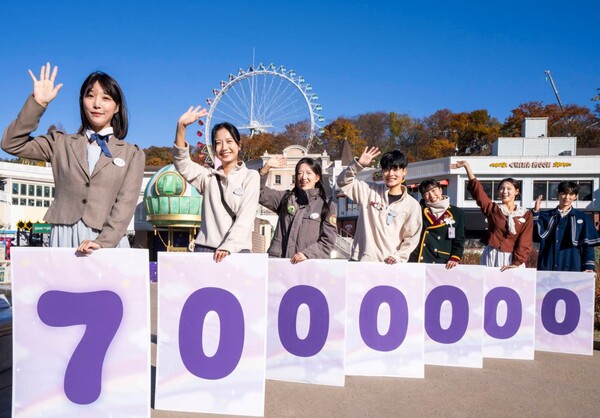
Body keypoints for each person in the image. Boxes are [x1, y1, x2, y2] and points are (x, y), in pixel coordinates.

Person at [1, 63, 145, 254]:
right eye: (90, 95)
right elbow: (11, 143)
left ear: (117, 107)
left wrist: (103, 242)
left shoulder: (132, 154)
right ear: (82, 101)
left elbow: (125, 204)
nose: (97, 104)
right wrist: (38, 103)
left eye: (106, 98)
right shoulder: (60, 143)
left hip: (108, 241)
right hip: (64, 237)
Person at [172, 106, 259, 262]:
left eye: (229, 141)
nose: (224, 147)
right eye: (218, 143)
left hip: (237, 251)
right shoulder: (208, 177)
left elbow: (246, 217)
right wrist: (181, 127)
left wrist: (229, 246)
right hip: (206, 250)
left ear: (239, 145)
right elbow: (182, 163)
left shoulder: (250, 176)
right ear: (213, 149)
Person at [336, 147, 422, 264]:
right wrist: (358, 165)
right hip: (361, 260)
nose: (390, 174)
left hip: (389, 264)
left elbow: (411, 237)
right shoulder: (369, 191)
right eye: (386, 170)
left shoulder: (412, 205)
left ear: (404, 171)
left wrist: (399, 257)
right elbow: (343, 182)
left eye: (395, 169)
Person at [450, 160, 532, 270]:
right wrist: (467, 167)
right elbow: (478, 193)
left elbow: (525, 241)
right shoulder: (493, 209)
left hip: (513, 258)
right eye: (501, 188)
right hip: (492, 255)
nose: (504, 191)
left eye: (509, 188)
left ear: (516, 191)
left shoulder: (526, 214)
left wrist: (517, 262)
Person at [259, 156, 337, 263]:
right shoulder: (285, 198)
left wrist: (307, 254)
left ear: (317, 177)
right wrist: (265, 168)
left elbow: (327, 242)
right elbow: (258, 192)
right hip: (279, 263)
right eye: (300, 173)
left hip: (307, 266)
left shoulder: (327, 206)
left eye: (308, 173)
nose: (303, 177)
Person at [533, 181, 600, 272]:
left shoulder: (583, 218)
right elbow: (534, 235)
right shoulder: (545, 216)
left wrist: (589, 267)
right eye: (564, 193)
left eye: (571, 194)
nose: (567, 197)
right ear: (558, 194)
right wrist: (535, 212)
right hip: (547, 264)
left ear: (575, 197)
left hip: (572, 265)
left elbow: (588, 245)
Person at [409, 179, 465, 269]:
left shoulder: (457, 213)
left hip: (442, 262)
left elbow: (459, 239)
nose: (431, 195)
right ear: (423, 197)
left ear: (440, 190)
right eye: (426, 193)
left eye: (433, 190)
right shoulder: (418, 210)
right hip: (419, 259)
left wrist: (455, 257)